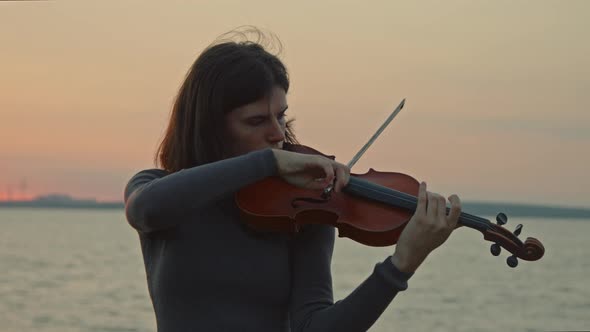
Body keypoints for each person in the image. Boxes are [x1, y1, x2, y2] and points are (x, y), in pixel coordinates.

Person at [123, 27, 462, 332]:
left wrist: (401, 265)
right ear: (210, 126)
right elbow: (145, 209)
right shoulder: (157, 189)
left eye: (281, 115)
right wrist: (269, 162)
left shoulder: (303, 209)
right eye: (256, 121)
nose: (277, 134)